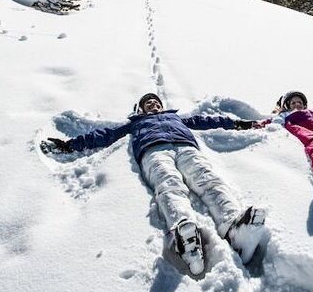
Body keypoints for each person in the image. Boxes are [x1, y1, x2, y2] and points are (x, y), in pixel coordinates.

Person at [40, 92, 265, 275]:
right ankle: (185, 235)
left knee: (209, 180)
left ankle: (234, 228)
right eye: (148, 103)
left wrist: (243, 125)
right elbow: (103, 135)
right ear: (141, 109)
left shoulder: (176, 117)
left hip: (186, 147)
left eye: (156, 102)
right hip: (153, 151)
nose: (153, 104)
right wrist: (69, 145)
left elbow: (209, 121)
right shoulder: (134, 123)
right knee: (169, 185)